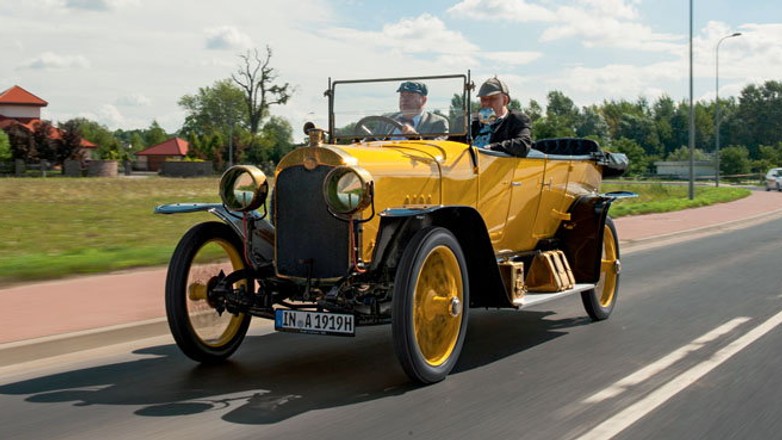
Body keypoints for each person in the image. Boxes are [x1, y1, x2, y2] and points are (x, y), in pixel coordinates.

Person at [471, 77, 532, 157]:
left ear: (505, 100)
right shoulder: (470, 121)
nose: (486, 103)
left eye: (492, 99)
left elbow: (523, 145)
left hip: (498, 164)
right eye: (483, 99)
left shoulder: (516, 119)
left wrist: (493, 147)